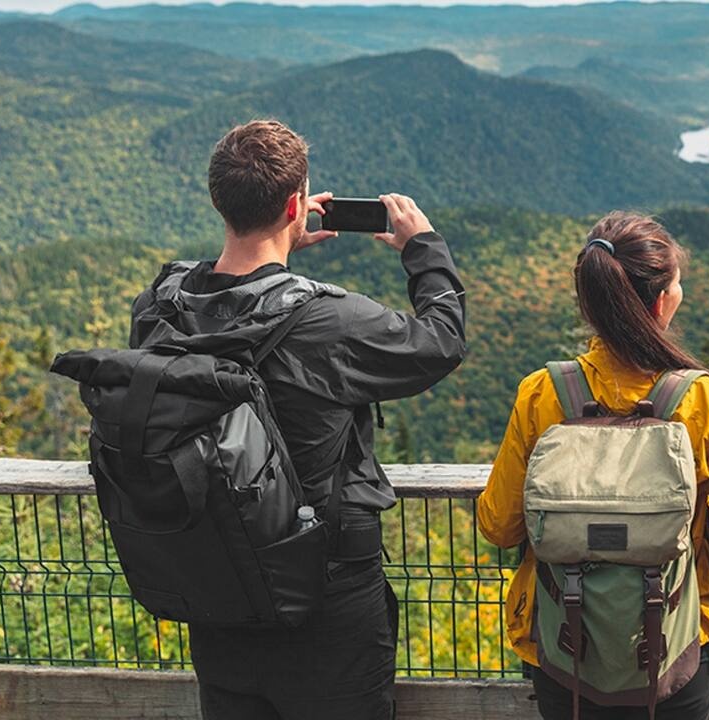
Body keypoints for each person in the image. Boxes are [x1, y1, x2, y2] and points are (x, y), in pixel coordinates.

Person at [129, 119, 466, 719]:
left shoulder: (160, 307)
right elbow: (440, 341)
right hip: (325, 592)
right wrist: (424, 249)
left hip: (217, 582)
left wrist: (274, 252)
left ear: (218, 200)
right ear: (296, 206)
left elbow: (221, 301)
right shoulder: (330, 322)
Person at [476, 211, 709, 719]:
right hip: (676, 651)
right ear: (662, 302)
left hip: (564, 649)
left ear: (590, 302)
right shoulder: (702, 402)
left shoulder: (543, 395)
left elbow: (498, 525)